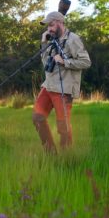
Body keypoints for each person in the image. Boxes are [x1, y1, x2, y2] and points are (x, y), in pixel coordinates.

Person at [32, 11, 91, 153]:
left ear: (60, 22)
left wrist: (65, 62)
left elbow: (86, 62)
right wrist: (43, 43)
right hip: (49, 86)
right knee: (37, 117)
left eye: (51, 25)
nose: (49, 29)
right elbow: (45, 62)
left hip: (64, 88)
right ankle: (51, 153)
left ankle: (67, 158)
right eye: (47, 27)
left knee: (63, 127)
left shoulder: (73, 39)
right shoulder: (52, 40)